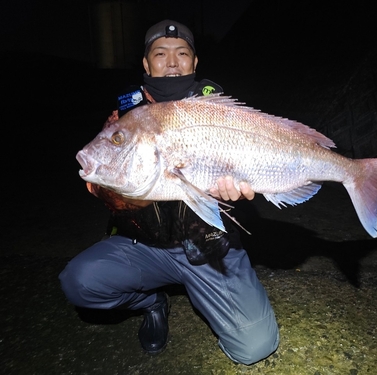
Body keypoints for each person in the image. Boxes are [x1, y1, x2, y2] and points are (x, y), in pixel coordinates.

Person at [59, 19, 279, 365]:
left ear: (194, 62)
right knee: (80, 282)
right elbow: (96, 182)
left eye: (182, 53)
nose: (172, 62)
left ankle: (204, 291)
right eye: (160, 54)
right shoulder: (125, 117)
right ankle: (152, 302)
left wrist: (232, 194)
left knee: (255, 346)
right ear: (146, 65)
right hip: (144, 246)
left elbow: (247, 166)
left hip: (210, 250)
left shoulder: (220, 110)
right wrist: (131, 191)